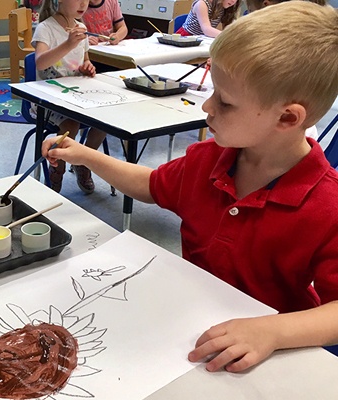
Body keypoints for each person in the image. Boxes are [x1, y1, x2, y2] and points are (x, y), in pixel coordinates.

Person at [42, 2, 338, 372]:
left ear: (287, 117)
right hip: (190, 332)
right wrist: (87, 156)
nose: (207, 107)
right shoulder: (208, 160)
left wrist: (273, 331)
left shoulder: (328, 203)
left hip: (269, 359)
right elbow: (152, 184)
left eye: (225, 102)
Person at [33, 0, 109, 194]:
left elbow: (85, 61)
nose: (84, 4)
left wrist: (87, 67)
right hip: (48, 100)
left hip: (76, 96)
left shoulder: (81, 28)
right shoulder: (45, 28)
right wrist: (68, 43)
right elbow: (40, 63)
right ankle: (56, 168)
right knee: (71, 124)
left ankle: (83, 161)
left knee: (106, 121)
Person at [176, 0, 241, 37]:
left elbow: (228, 28)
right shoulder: (202, 3)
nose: (233, 1)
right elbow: (206, 29)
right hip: (185, 37)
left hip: (203, 39)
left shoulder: (224, 7)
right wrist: (228, 36)